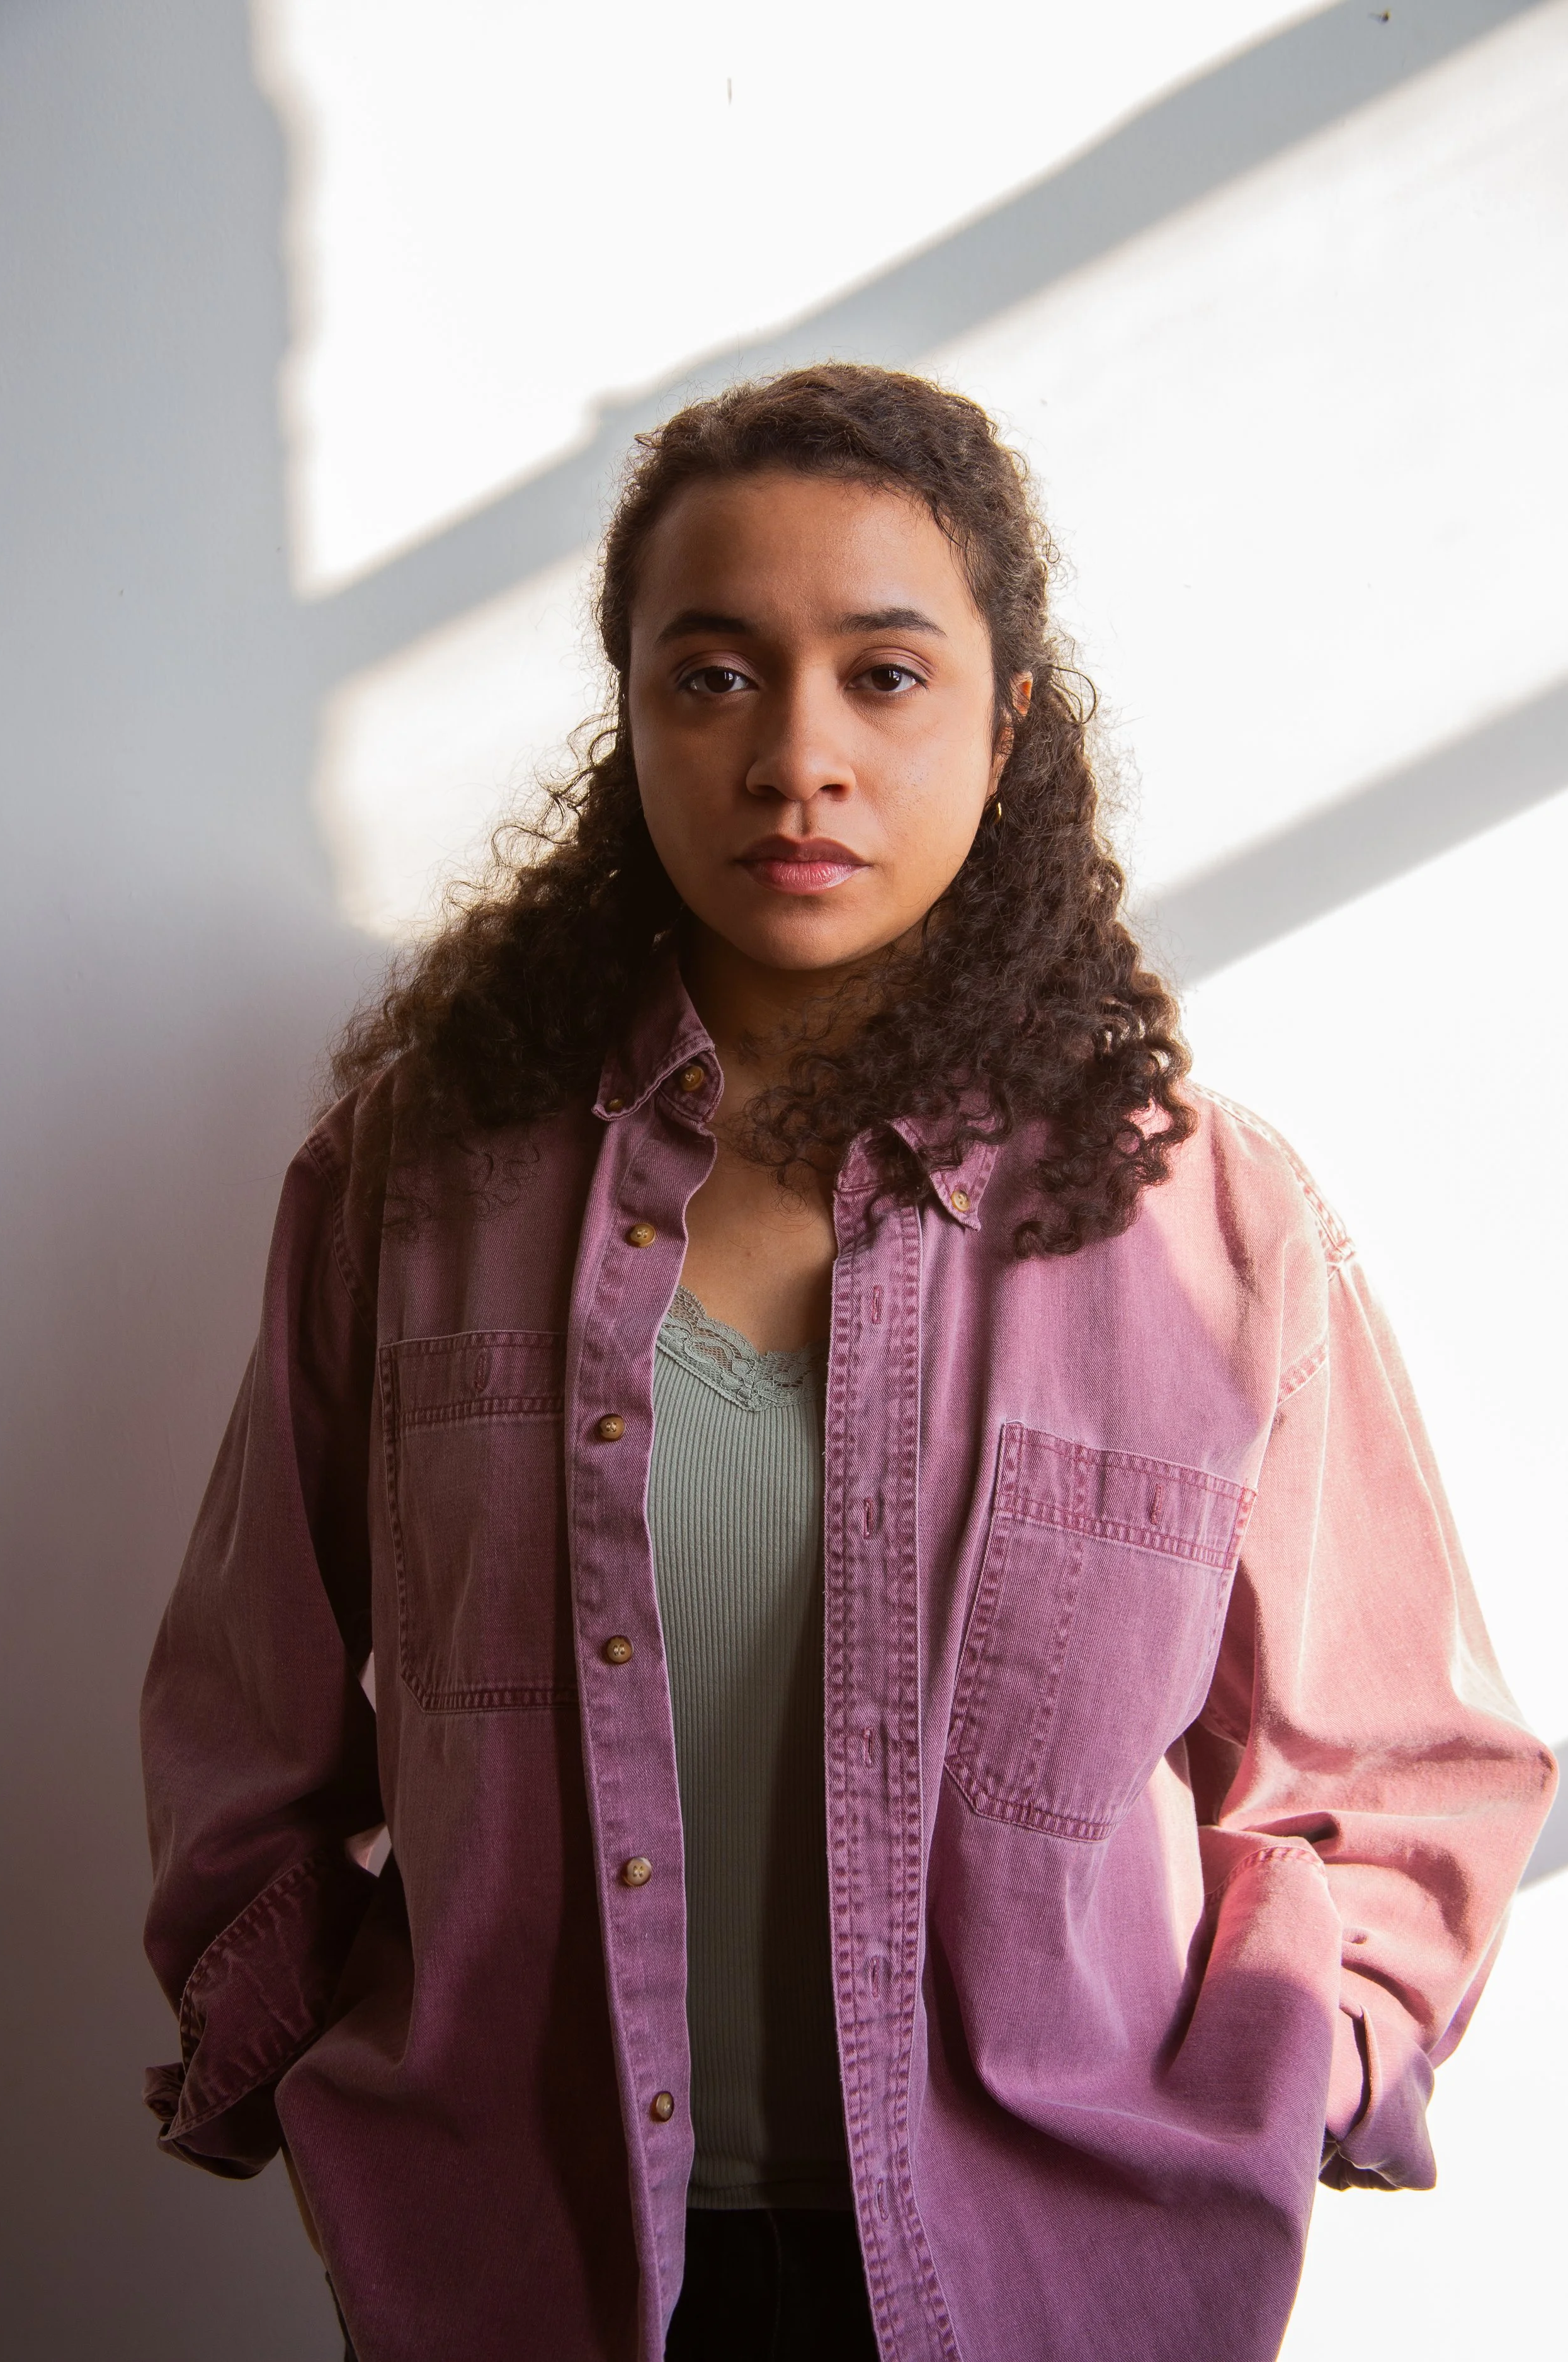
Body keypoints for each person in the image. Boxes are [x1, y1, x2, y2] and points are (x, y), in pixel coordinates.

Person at [140, 365, 1553, 2362]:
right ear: (628, 714)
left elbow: (1403, 1762)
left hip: (1062, 2282)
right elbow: (246, 1714)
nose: (794, 756)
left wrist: (1292, 2065)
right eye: (710, 676)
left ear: (1008, 722)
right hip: (526, 2279)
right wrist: (299, 2066)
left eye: (882, 675)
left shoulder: (1205, 1220)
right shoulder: (413, 1190)